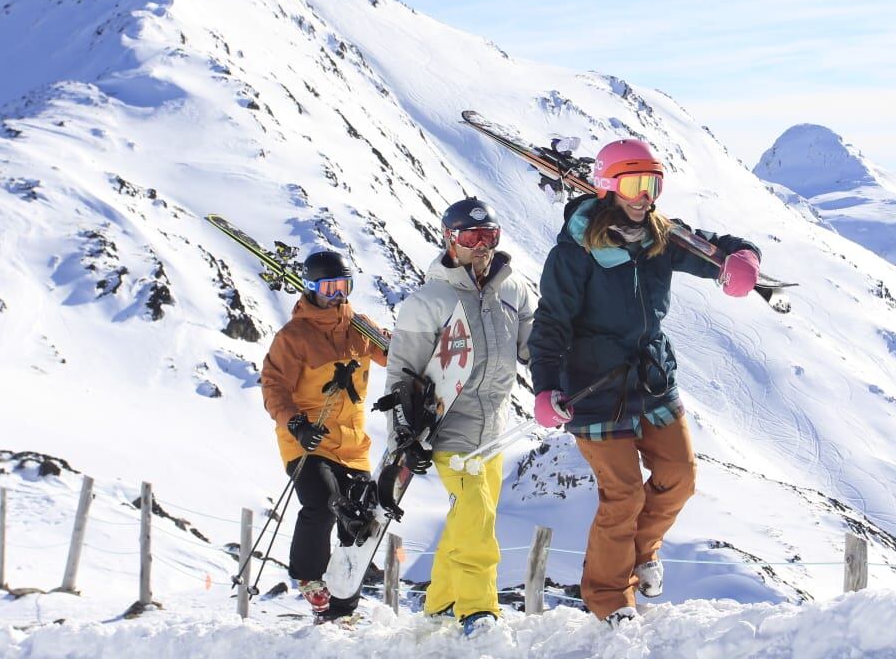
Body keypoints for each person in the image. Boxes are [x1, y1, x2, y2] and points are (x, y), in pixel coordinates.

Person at [528, 138, 760, 625]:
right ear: (609, 186)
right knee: (624, 495)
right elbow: (551, 323)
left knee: (680, 476)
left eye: (653, 184)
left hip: (652, 377)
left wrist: (742, 260)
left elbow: (716, 250)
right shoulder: (575, 251)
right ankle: (611, 598)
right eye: (633, 184)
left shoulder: (660, 237)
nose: (644, 196)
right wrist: (546, 387)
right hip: (594, 387)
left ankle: (640, 552)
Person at [385, 197, 536, 636]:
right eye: (470, 238)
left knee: (468, 517)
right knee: (476, 514)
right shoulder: (429, 300)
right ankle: (477, 609)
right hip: (448, 427)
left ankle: (442, 603)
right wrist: (404, 436)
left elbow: (535, 348)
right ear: (450, 240)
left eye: (488, 236)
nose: (481, 247)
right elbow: (403, 373)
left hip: (494, 432)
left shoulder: (514, 290)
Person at [260, 249, 387, 622]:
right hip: (308, 439)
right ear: (311, 288)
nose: (337, 295)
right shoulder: (293, 336)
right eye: (329, 287)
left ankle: (344, 600)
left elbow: (391, 353)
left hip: (352, 443)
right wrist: (295, 423)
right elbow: (273, 385)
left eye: (344, 286)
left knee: (361, 519)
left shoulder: (359, 327)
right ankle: (310, 578)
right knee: (324, 502)